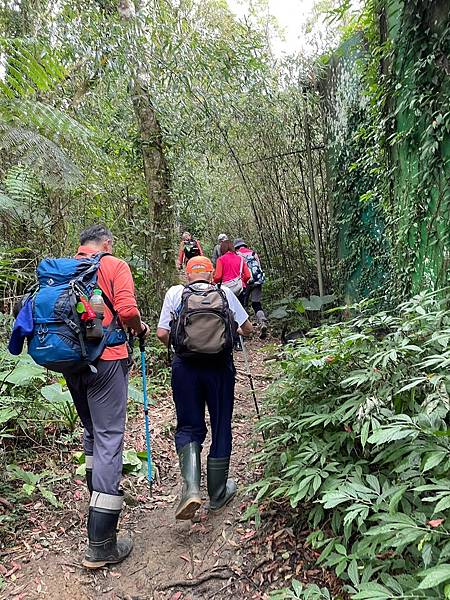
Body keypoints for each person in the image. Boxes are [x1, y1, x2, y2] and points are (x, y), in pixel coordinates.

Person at [64, 224, 149, 569]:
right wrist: (139, 328)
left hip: (71, 364)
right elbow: (127, 312)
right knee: (110, 438)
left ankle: (97, 498)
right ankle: (100, 543)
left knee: (92, 433)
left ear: (81, 245)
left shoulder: (67, 268)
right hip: (107, 360)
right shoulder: (114, 265)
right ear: (107, 244)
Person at [156, 256, 252, 521]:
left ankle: (191, 490)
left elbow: (162, 334)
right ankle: (218, 493)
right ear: (211, 275)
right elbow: (247, 328)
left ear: (187, 275)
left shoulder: (175, 294)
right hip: (219, 368)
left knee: (189, 426)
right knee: (221, 424)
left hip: (185, 368)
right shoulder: (224, 293)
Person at [234, 238, 268, 339]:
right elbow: (259, 267)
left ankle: (246, 330)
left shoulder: (237, 255)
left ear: (236, 247)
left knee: (244, 305)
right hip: (257, 281)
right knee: (256, 303)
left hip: (245, 282)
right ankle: (263, 322)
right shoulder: (253, 253)